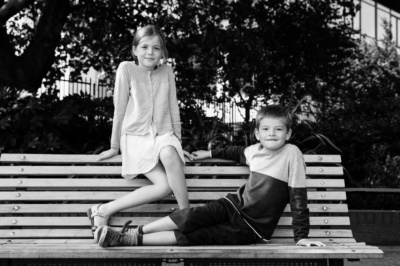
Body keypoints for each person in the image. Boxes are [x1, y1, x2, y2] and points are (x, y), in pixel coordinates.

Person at [94, 105, 326, 248]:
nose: (272, 134)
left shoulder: (292, 154)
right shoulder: (254, 150)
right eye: (266, 129)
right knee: (190, 216)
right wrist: (209, 153)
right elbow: (235, 152)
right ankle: (132, 233)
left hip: (252, 228)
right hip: (231, 205)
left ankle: (129, 239)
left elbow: (298, 198)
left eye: (278, 129)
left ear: (289, 134)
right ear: (257, 133)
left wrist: (301, 237)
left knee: (197, 235)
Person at [87, 25, 191, 239]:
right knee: (163, 187)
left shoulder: (167, 71)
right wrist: (114, 147)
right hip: (135, 136)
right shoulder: (126, 69)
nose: (150, 52)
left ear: (162, 52)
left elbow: (173, 108)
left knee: (170, 153)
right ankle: (102, 210)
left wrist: (178, 143)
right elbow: (120, 109)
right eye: (144, 47)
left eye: (156, 48)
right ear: (134, 50)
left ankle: (185, 215)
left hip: (163, 134)